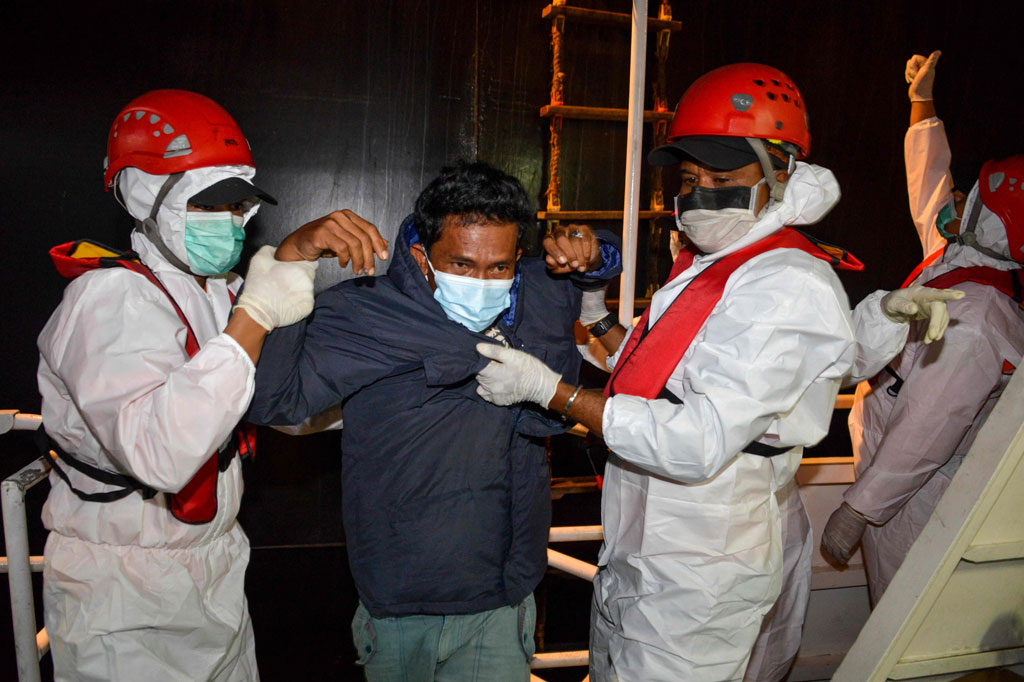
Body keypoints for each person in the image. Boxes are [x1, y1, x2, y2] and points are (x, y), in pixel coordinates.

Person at [471, 63, 962, 682]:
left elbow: (695, 438)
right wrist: (594, 310)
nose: (700, 191)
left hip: (700, 559)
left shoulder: (784, 282)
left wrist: (552, 391)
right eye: (690, 175)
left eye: (723, 176)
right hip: (645, 541)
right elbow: (654, 376)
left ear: (780, 172)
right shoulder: (716, 265)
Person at [246, 160, 622, 682]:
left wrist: (596, 251)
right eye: (462, 265)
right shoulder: (366, 313)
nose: (482, 281)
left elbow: (593, 257)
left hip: (500, 599)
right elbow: (272, 401)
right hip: (400, 607)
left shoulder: (535, 293)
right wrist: (292, 259)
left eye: (498, 267)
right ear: (422, 256)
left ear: (518, 256)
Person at [37, 89, 322, 681]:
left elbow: (267, 406)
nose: (232, 222)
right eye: (209, 204)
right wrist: (257, 316)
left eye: (238, 206)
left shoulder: (215, 292)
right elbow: (160, 453)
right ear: (144, 193)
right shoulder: (107, 301)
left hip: (216, 569)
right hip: (125, 591)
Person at [822, 52, 1024, 605]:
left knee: (898, 610)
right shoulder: (962, 262)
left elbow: (929, 427)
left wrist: (860, 508)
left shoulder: (978, 316)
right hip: (893, 466)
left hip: (915, 494)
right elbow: (929, 184)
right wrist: (921, 103)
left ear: (994, 223)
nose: (958, 197)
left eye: (973, 198)